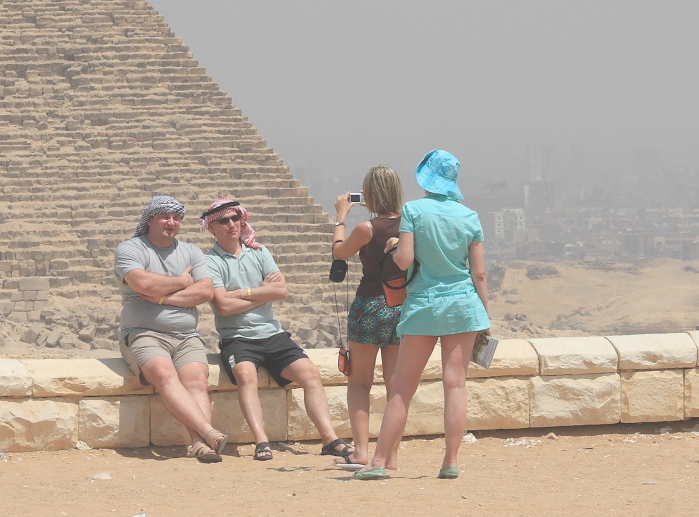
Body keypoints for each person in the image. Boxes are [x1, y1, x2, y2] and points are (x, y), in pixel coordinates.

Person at [356, 150, 489, 480]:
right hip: (463, 306)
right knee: (455, 385)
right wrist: (484, 318)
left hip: (424, 306)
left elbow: (404, 260)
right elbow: (480, 274)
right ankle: (450, 461)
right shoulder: (470, 217)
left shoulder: (414, 211)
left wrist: (390, 248)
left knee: (401, 387)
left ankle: (380, 462)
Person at [201, 198, 353, 463]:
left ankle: (330, 439)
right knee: (245, 375)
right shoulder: (210, 262)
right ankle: (262, 441)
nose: (231, 225)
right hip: (237, 337)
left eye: (235, 218)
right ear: (211, 228)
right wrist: (263, 293)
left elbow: (281, 291)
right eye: (223, 221)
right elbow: (223, 307)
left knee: (310, 374)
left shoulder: (259, 252)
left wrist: (244, 293)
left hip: (272, 334)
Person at [114, 196, 230, 463]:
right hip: (144, 332)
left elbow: (205, 291)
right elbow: (142, 283)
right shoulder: (130, 249)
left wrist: (164, 297)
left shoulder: (191, 251)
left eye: (176, 218)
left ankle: (200, 444)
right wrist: (182, 281)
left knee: (198, 382)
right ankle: (209, 434)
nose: (171, 222)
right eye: (165, 217)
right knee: (165, 375)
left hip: (186, 336)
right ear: (150, 220)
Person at [331, 165, 405, 466]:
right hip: (400, 308)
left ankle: (361, 451)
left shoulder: (366, 229)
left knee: (360, 382)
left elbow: (340, 252)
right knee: (395, 386)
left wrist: (340, 217)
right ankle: (391, 454)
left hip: (369, 307)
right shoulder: (410, 225)